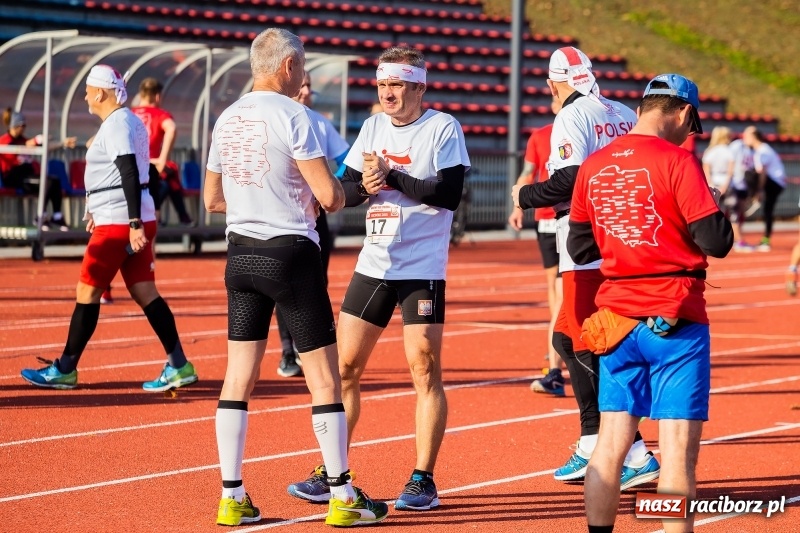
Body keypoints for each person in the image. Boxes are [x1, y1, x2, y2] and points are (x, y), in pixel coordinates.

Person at [204, 28, 387, 527]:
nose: (305, 77)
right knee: (324, 377)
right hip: (290, 252)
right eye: (303, 67)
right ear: (287, 67)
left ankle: (231, 495)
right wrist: (363, 187)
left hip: (239, 255)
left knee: (238, 377)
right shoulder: (295, 115)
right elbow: (329, 196)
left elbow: (212, 200)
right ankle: (342, 494)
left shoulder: (227, 117)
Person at [287, 46, 470, 511]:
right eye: (383, 85)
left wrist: (392, 176)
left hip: (423, 267)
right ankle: (332, 470)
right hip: (375, 264)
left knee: (424, 367)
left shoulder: (442, 127)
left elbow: (448, 194)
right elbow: (348, 187)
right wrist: (360, 188)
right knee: (344, 368)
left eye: (397, 85)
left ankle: (422, 478)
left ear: (419, 87)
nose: (388, 93)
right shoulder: (371, 127)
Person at [567, 73, 733, 533]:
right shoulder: (679, 161)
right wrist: (712, 205)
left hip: (617, 317)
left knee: (610, 444)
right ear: (681, 111)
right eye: (691, 123)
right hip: (675, 316)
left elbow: (581, 249)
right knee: (677, 452)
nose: (690, 133)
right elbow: (716, 240)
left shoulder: (594, 165)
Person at [512, 46, 658, 489]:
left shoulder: (570, 117)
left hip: (586, 242)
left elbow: (570, 179)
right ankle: (594, 439)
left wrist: (525, 195)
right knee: (566, 336)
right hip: (618, 239)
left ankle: (630, 449)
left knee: (587, 341)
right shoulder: (617, 111)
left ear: (556, 84)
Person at [19, 65, 198, 392]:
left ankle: (65, 369)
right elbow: (144, 175)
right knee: (146, 293)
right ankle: (178, 364)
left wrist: (130, 223)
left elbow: (129, 171)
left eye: (88, 90)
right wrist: (115, 214)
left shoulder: (116, 124)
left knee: (87, 293)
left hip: (121, 224)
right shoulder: (129, 121)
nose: (86, 95)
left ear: (100, 92)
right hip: (129, 217)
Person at [275, 69, 350, 379]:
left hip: (315, 218)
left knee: (317, 283)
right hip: (284, 219)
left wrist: (327, 188)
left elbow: (348, 158)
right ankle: (287, 352)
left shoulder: (319, 122)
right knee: (282, 286)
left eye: (309, 86)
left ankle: (310, 349)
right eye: (301, 85)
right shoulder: (276, 117)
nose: (305, 91)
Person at [507, 96, 565, 395]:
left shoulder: (548, 134)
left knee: (559, 293)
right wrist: (518, 206)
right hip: (551, 217)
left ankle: (558, 354)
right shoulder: (542, 136)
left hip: (557, 217)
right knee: (558, 293)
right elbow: (528, 173)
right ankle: (558, 355)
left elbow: (527, 175)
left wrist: (518, 206)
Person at [0, 108, 76, 230]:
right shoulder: (5, 140)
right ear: (15, 125)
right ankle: (41, 216)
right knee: (46, 182)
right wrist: (34, 141)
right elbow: (20, 147)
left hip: (27, 176)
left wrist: (62, 143)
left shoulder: (23, 140)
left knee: (54, 181)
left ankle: (57, 216)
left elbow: (42, 147)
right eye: (22, 125)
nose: (24, 128)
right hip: (15, 178)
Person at [131, 77, 193, 227]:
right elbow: (171, 128)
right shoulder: (159, 114)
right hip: (149, 166)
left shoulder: (128, 114)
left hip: (130, 165)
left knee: (169, 176)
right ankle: (180, 216)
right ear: (158, 96)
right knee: (170, 173)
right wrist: (163, 158)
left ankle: (180, 217)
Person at [702, 126, 751, 250]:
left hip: (713, 185)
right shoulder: (728, 151)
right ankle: (738, 241)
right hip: (728, 185)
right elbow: (730, 172)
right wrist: (724, 186)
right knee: (734, 214)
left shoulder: (709, 152)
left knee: (715, 214)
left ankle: (713, 241)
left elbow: (706, 172)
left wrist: (713, 185)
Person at [743, 126, 786, 252]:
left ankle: (751, 197)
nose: (744, 139)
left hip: (774, 182)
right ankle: (766, 240)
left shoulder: (762, 151)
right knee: (768, 210)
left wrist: (759, 191)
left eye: (746, 136)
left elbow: (762, 173)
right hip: (774, 182)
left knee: (749, 174)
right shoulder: (760, 150)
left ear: (753, 137)